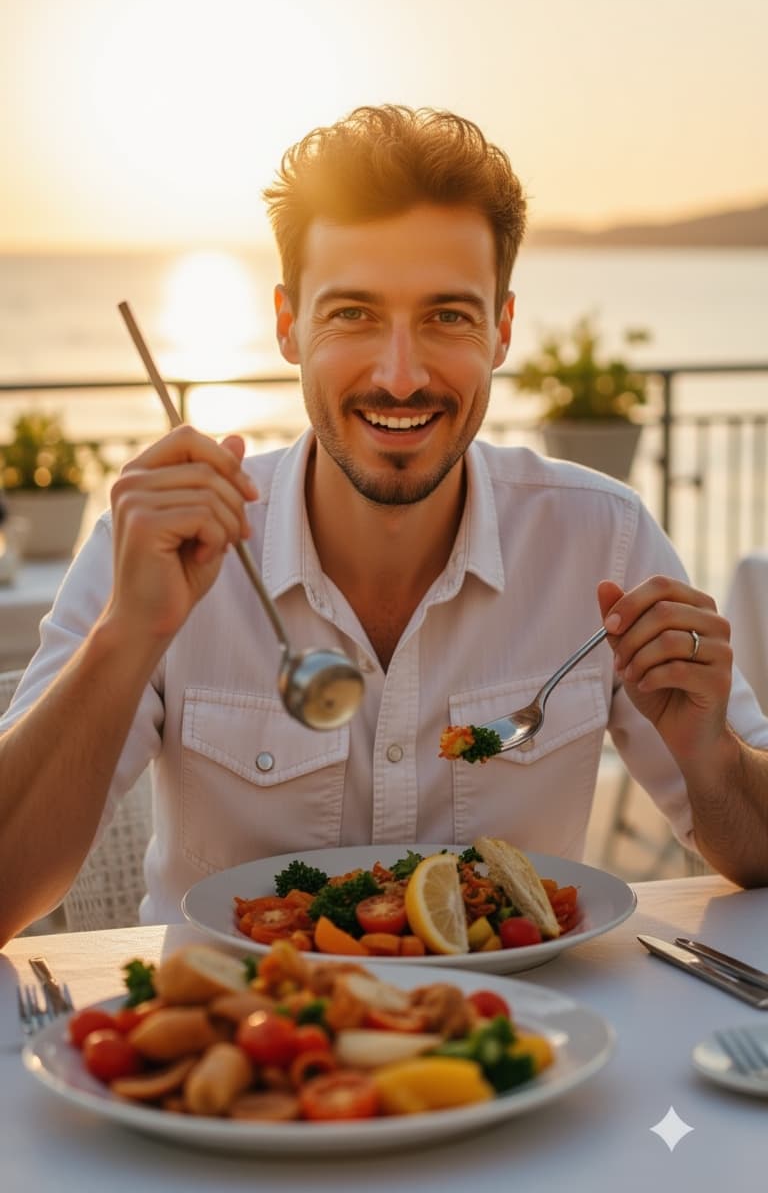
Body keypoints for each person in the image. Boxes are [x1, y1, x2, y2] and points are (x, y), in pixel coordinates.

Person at [1, 104, 767, 946]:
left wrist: (713, 755)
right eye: (354, 315)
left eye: (447, 316)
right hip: (239, 1050)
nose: (400, 377)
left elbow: (757, 855)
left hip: (531, 1052)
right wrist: (124, 637)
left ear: (502, 329)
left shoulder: (604, 538)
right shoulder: (151, 551)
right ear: (289, 324)